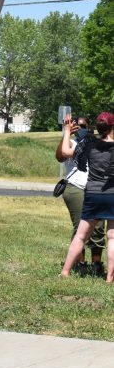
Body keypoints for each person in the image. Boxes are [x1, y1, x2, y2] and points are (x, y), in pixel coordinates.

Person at [60, 112, 114, 283]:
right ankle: (109, 278)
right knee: (112, 237)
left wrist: (67, 130)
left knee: (80, 236)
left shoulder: (89, 144)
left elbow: (65, 151)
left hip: (92, 194)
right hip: (112, 195)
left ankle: (65, 271)